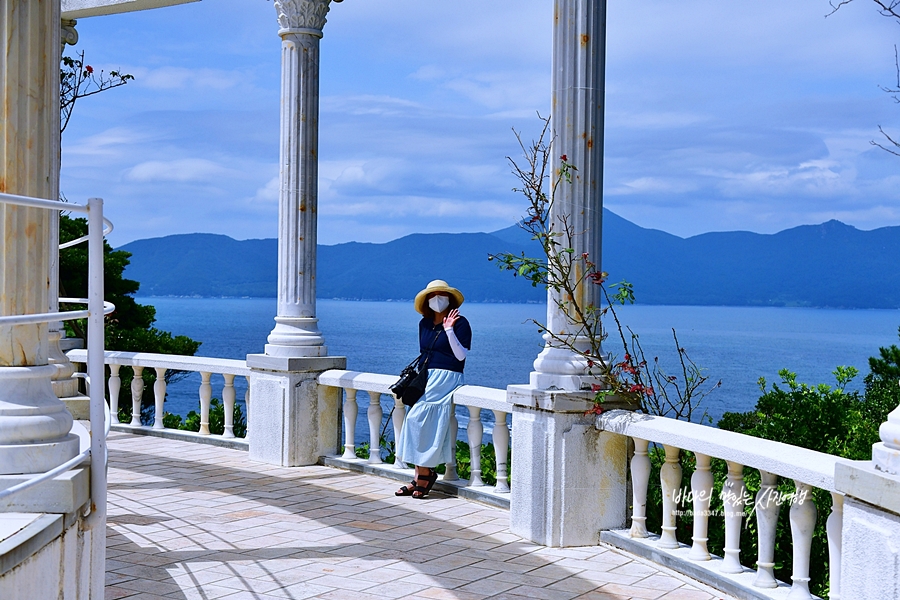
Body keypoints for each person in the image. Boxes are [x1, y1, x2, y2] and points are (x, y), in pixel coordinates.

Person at [395, 279, 472, 499]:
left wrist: (449, 330)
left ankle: (424, 476)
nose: (437, 299)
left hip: (448, 375)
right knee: (413, 419)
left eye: (441, 295)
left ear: (449, 299)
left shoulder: (460, 322)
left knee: (417, 419)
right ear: (427, 301)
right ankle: (419, 475)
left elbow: (461, 355)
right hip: (426, 376)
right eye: (432, 295)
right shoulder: (424, 324)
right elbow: (424, 353)